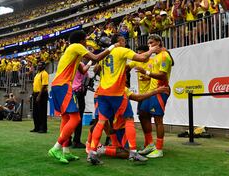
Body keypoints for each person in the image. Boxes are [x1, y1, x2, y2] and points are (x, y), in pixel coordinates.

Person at [48, 30, 119, 164]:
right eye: (85, 40)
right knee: (76, 118)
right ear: (81, 41)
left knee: (66, 118)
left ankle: (66, 151)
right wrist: (111, 47)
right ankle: (56, 147)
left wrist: (90, 63)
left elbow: (84, 69)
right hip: (64, 86)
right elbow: (96, 58)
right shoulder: (76, 46)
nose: (86, 43)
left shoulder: (72, 53)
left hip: (58, 85)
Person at [88, 34, 159, 165]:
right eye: (124, 40)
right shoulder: (121, 50)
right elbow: (143, 58)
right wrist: (153, 50)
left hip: (102, 92)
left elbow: (97, 69)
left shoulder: (105, 54)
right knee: (129, 119)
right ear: (119, 41)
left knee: (101, 122)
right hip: (117, 92)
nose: (125, 43)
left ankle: (92, 152)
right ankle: (133, 152)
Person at [96, 86, 170, 159]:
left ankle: (97, 146)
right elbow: (138, 98)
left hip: (117, 127)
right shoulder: (121, 89)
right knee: (127, 153)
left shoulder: (103, 89)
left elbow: (102, 118)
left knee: (119, 145)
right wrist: (157, 91)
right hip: (120, 129)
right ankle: (102, 149)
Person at [135, 34, 174, 158]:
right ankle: (150, 144)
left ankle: (159, 149)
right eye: (149, 43)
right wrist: (147, 76)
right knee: (142, 114)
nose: (150, 46)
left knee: (158, 120)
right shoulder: (156, 56)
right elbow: (156, 74)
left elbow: (162, 75)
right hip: (152, 91)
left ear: (158, 42)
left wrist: (145, 71)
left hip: (160, 91)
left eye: (152, 43)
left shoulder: (164, 56)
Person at [70, 60, 92, 148]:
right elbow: (86, 75)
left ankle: (67, 139)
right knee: (78, 117)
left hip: (71, 92)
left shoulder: (70, 63)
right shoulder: (80, 64)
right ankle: (76, 140)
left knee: (70, 117)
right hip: (78, 92)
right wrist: (90, 63)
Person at [30, 62, 49, 133]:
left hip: (42, 94)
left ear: (44, 66)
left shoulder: (44, 74)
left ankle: (43, 128)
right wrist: (33, 94)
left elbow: (44, 86)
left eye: (40, 65)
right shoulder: (37, 74)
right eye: (38, 65)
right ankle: (36, 127)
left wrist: (39, 96)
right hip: (35, 94)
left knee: (42, 112)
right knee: (35, 112)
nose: (39, 66)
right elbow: (35, 85)